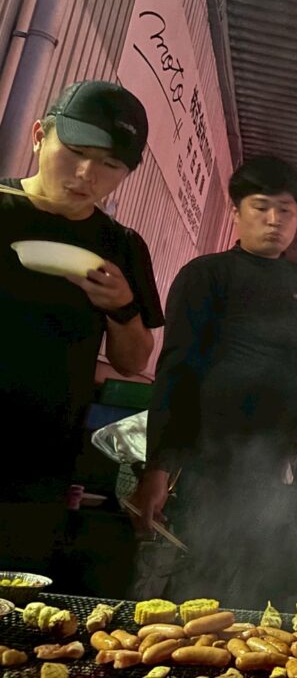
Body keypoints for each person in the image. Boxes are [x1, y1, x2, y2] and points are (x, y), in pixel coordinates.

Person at [131, 156, 297, 607]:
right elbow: (176, 369)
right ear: (236, 211)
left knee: (254, 583)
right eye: (261, 207)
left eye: (286, 210)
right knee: (197, 580)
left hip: (272, 463)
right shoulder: (207, 274)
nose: (274, 220)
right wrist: (158, 467)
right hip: (206, 461)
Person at [0, 79, 163, 570]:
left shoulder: (121, 246)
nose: (87, 175)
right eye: (74, 152)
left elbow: (133, 361)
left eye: (110, 165)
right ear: (38, 136)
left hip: (43, 464)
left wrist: (123, 307)